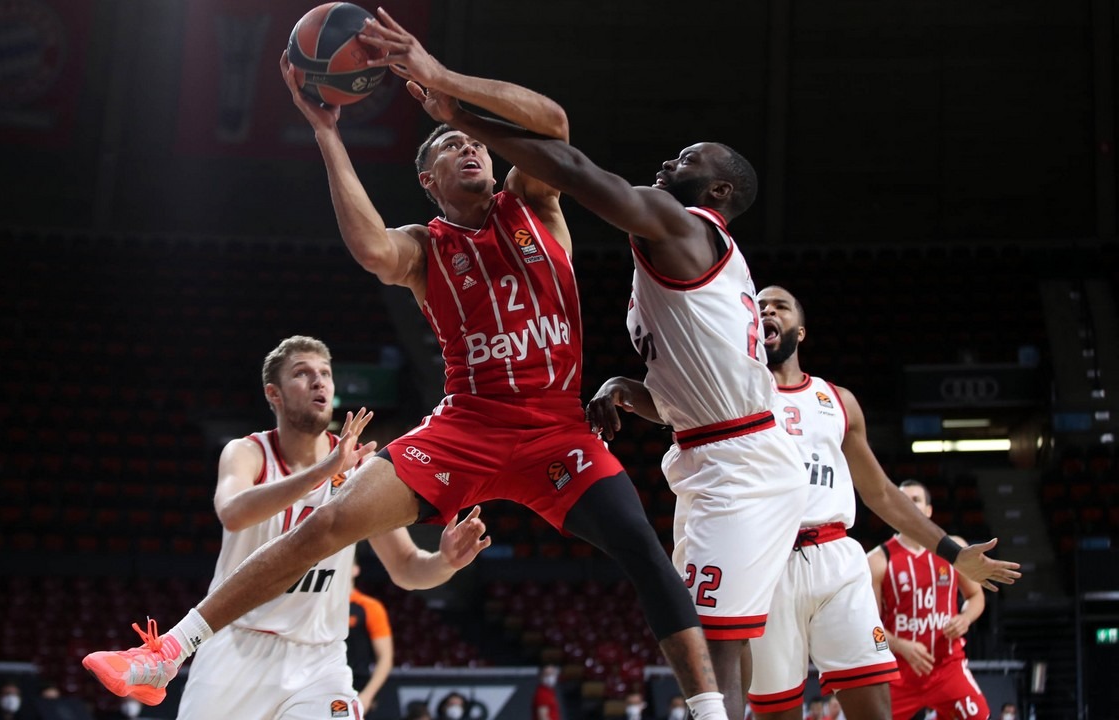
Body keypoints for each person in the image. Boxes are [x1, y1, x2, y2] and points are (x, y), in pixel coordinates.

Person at [80, 10, 725, 720]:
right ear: (427, 179)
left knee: (641, 547)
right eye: (450, 146)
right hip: (468, 426)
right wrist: (327, 133)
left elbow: (554, 123)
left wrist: (447, 88)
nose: (468, 148)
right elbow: (369, 249)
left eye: (472, 142)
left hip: (557, 428)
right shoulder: (425, 246)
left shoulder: (534, 202)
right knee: (324, 525)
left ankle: (708, 711)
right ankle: (166, 653)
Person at [370, 13, 812, 720]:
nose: (668, 164)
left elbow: (572, 169)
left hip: (740, 461)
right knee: (725, 637)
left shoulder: (682, 224)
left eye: (688, 160)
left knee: (713, 644)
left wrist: (459, 112)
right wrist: (622, 389)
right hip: (711, 451)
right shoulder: (674, 258)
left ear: (719, 193)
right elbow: (688, 392)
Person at [91, 335, 492, 718]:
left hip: (320, 658)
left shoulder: (358, 467)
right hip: (235, 645)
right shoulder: (247, 452)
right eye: (302, 373)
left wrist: (445, 561)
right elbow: (233, 513)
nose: (319, 381)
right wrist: (322, 473)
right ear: (274, 394)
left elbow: (406, 568)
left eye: (326, 373)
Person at [745, 287, 1021, 720]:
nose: (767, 311)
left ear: (800, 330)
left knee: (874, 708)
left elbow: (882, 493)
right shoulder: (735, 394)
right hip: (769, 563)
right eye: (759, 307)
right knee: (776, 713)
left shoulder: (838, 401)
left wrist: (952, 553)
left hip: (834, 557)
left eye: (779, 306)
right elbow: (672, 408)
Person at [868, 481, 992, 720]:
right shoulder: (877, 560)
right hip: (898, 673)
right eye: (903, 500)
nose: (909, 505)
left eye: (916, 500)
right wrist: (899, 645)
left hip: (947, 668)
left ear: (929, 510)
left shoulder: (955, 548)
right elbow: (870, 629)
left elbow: (976, 596)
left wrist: (965, 618)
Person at [349, 558, 394, 715]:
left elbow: (385, 658)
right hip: (321, 683)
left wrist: (367, 695)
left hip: (357, 685)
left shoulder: (370, 607)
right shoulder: (318, 607)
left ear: (356, 569)